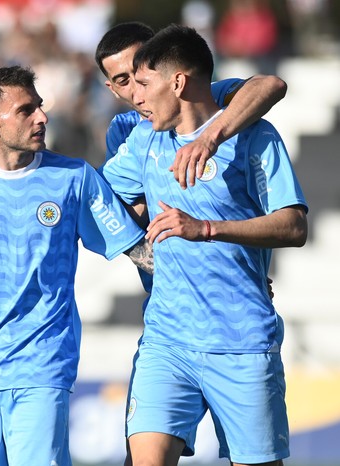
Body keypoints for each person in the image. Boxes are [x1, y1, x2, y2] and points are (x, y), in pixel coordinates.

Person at [0, 65, 153, 466]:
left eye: (40, 107)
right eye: (27, 110)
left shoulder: (73, 177)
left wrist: (223, 277)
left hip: (41, 369)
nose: (42, 117)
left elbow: (136, 249)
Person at [101, 24, 307, 466]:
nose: (134, 95)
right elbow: (94, 197)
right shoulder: (141, 138)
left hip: (240, 340)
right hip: (167, 339)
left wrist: (207, 229)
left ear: (177, 81)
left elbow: (293, 227)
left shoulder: (253, 132)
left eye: (140, 80)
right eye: (123, 83)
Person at [94, 21, 287, 191]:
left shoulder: (208, 96)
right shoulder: (123, 130)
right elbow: (120, 201)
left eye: (141, 75)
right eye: (123, 81)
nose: (139, 90)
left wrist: (208, 139)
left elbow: (270, 85)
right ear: (112, 89)